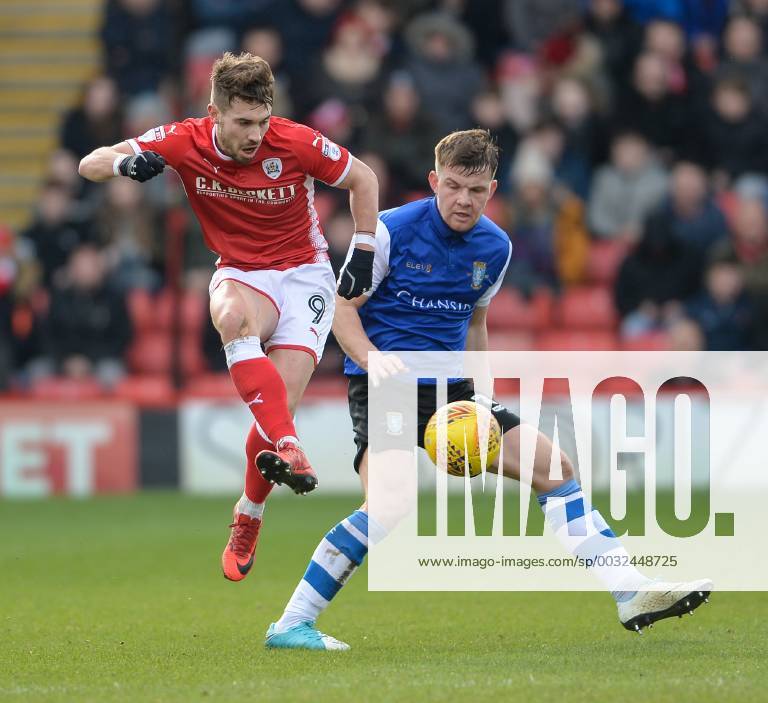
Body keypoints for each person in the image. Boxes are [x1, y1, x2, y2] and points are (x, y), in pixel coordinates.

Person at [265, 129, 712, 651]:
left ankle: (629, 591)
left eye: (475, 191)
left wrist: (480, 394)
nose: (463, 200)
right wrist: (371, 359)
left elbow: (475, 326)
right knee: (389, 505)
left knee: (554, 468)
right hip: (386, 387)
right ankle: (292, 624)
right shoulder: (387, 231)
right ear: (434, 181)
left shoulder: (495, 247)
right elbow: (342, 309)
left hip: (453, 389)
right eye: (452, 186)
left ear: (492, 189)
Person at [78, 51, 379, 581]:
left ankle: (249, 512)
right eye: (242, 122)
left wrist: (364, 250)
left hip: (305, 273)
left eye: (262, 121)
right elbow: (90, 162)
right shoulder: (182, 139)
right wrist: (127, 163)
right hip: (241, 271)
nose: (255, 135)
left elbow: (364, 180)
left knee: (274, 407)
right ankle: (290, 446)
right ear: (214, 111)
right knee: (230, 319)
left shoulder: (297, 141)